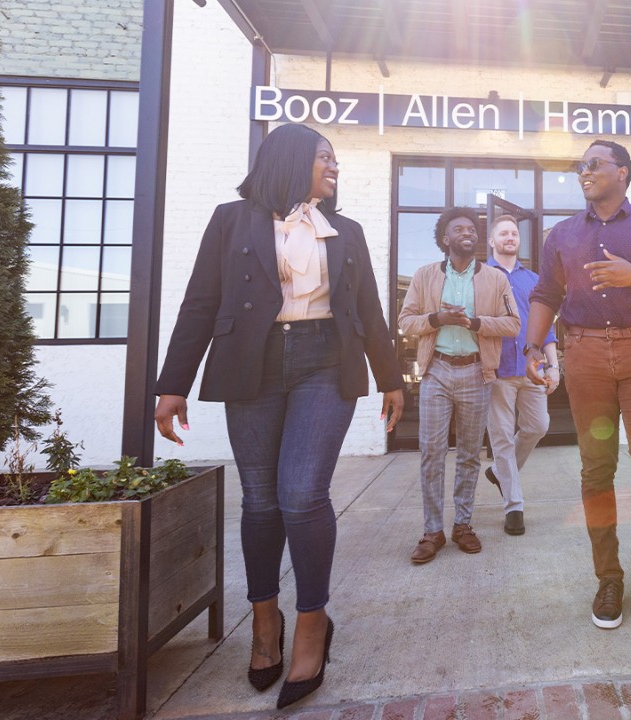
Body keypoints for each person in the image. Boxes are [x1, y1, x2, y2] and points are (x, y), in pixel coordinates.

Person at [153, 124, 404, 710]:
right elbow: (200, 301)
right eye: (325, 158)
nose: (334, 167)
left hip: (325, 363)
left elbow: (368, 309)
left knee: (301, 493)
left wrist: (391, 379)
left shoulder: (346, 231)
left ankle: (312, 621)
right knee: (261, 498)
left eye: (336, 160)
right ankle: (266, 621)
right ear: (291, 160)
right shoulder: (231, 221)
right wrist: (172, 385)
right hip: (252, 364)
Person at [524, 140, 631, 629]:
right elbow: (546, 294)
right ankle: (609, 577)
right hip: (585, 356)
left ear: (623, 172)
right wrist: (533, 349)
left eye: (594, 164)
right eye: (580, 166)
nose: (584, 171)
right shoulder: (563, 234)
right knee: (597, 468)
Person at [398, 207, 520, 564]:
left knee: (469, 454)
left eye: (472, 228)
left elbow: (512, 324)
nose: (467, 231)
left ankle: (462, 525)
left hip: (475, 373)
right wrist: (438, 319)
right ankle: (432, 530)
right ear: (445, 239)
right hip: (437, 372)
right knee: (431, 452)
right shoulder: (424, 276)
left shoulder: (496, 279)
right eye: (458, 228)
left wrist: (475, 323)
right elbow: (406, 321)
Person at [484, 214, 558, 536]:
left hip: (532, 367)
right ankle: (514, 507)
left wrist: (554, 365)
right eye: (503, 233)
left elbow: (547, 325)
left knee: (538, 425)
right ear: (492, 241)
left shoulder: (534, 279)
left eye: (514, 233)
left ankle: (500, 473)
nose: (510, 237)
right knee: (501, 437)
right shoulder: (481, 276)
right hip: (497, 368)